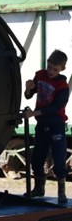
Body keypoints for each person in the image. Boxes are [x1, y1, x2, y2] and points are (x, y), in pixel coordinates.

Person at [24, 50, 69, 204]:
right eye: (49, 67)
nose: (50, 71)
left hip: (56, 125)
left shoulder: (63, 86)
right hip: (42, 125)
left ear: (62, 69)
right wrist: (28, 88)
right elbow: (29, 95)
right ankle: (38, 188)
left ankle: (61, 191)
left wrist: (35, 112)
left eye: (55, 69)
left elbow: (55, 107)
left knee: (58, 158)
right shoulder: (40, 75)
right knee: (37, 157)